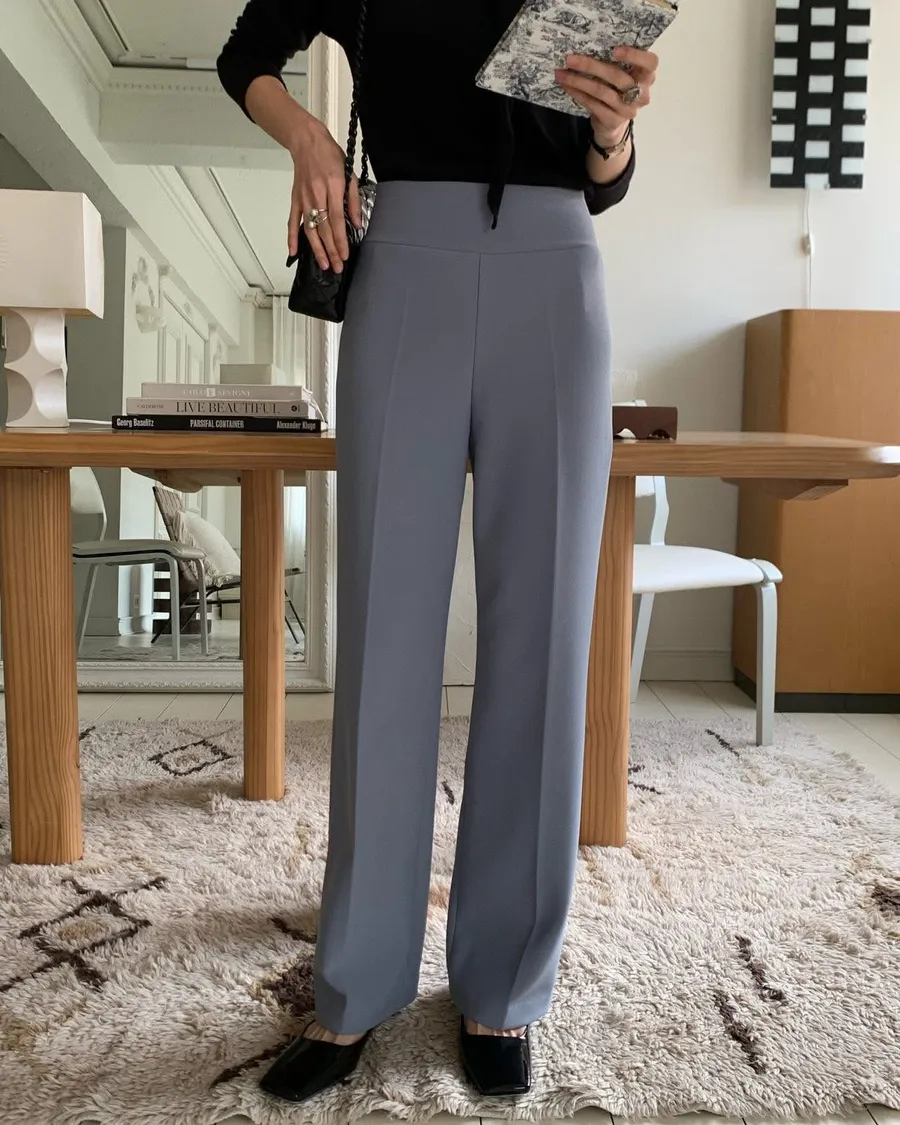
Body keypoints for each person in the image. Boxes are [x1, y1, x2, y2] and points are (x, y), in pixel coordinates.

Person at [218, 0, 658, 1104]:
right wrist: (308, 138)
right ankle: (355, 986)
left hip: (557, 263)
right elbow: (245, 53)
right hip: (405, 254)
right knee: (384, 629)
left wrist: (615, 131)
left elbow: (604, 179)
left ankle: (504, 984)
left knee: (545, 638)